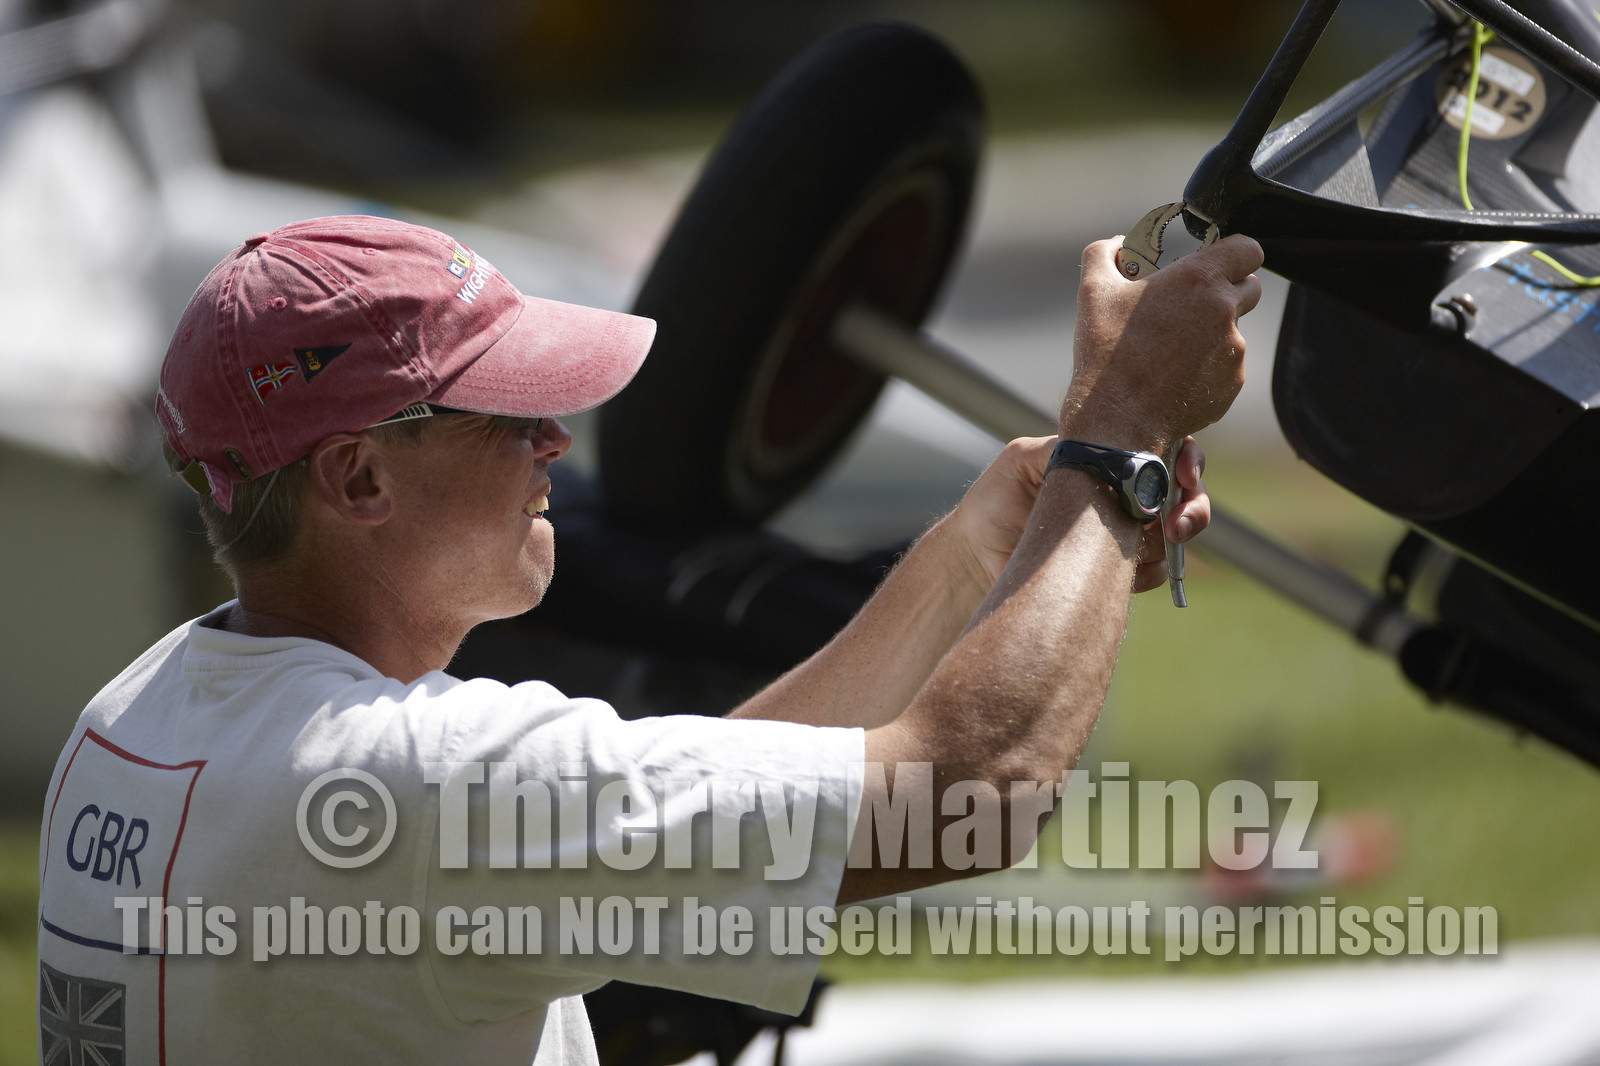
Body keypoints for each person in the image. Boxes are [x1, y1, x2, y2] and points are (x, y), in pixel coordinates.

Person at [37, 214, 1263, 1064]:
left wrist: (967, 557)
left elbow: (712, 810)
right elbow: (971, 794)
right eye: (503, 408)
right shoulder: (423, 782)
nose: (554, 440)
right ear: (359, 477)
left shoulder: (129, 721)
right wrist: (1121, 432)